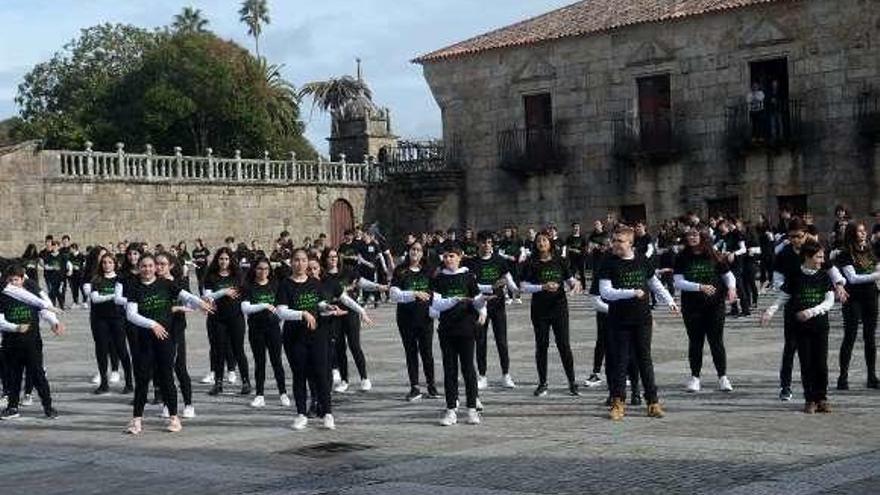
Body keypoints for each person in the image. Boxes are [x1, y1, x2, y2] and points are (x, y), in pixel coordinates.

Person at [124, 255, 211, 434]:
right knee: (142, 378)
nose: (147, 269)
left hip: (165, 339)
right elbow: (131, 315)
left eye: (150, 266)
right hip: (144, 339)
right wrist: (153, 324)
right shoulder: (134, 287)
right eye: (143, 266)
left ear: (155, 267)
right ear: (139, 268)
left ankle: (174, 417)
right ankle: (136, 419)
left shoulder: (165, 284)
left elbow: (185, 296)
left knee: (166, 377)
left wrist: (201, 302)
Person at [598, 224, 678, 420]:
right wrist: (631, 292)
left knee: (645, 360)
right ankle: (618, 403)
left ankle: (653, 402)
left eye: (620, 241)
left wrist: (670, 301)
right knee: (620, 361)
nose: (615, 244)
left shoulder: (642, 259)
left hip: (642, 318)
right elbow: (605, 292)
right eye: (614, 240)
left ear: (630, 243)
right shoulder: (608, 262)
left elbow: (654, 283)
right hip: (619, 319)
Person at [762, 240, 835, 413]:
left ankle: (821, 397)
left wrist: (811, 312)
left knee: (821, 364)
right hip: (800, 327)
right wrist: (770, 311)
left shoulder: (824, 275)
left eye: (822, 256)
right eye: (818, 257)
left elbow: (829, 301)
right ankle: (810, 399)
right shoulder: (795, 275)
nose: (822, 260)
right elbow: (783, 297)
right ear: (808, 257)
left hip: (820, 326)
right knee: (806, 363)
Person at [276, 248, 344, 431]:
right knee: (300, 375)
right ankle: (301, 414)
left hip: (317, 335)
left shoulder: (315, 283)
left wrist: (330, 308)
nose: (300, 264)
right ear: (291, 263)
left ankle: (328, 413)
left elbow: (320, 304)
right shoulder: (285, 285)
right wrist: (302, 313)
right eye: (296, 260)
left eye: (304, 260)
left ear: (308, 263)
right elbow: (281, 311)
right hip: (294, 337)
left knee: (322, 373)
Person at [430, 243, 488, 427]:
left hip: (466, 328)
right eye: (446, 256)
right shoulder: (439, 279)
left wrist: (483, 308)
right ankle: (451, 410)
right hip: (447, 329)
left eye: (452, 256)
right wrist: (454, 300)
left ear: (460, 257)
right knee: (449, 370)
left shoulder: (468, 276)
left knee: (468, 369)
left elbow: (477, 300)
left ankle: (471, 409)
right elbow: (436, 305)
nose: (448, 259)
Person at [673, 228, 737, 393]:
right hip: (692, 306)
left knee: (716, 341)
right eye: (689, 235)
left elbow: (728, 275)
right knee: (695, 342)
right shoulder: (682, 257)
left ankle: (723, 377)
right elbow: (678, 282)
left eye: (695, 234)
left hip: (714, 305)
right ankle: (695, 378)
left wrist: (731, 288)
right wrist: (699, 287)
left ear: (702, 236)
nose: (692, 237)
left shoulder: (713, 254)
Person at [520, 232, 581, 397]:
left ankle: (572, 382)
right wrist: (542, 287)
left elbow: (570, 280)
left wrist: (575, 285)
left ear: (550, 243)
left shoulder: (560, 261)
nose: (541, 243)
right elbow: (523, 286)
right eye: (538, 240)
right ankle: (542, 383)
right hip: (539, 309)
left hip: (559, 307)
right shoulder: (531, 262)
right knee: (542, 345)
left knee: (564, 345)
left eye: (544, 240)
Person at [0, 265, 63, 420]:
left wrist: (54, 322)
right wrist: (15, 328)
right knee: (13, 376)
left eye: (16, 279)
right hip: (11, 342)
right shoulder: (3, 296)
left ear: (22, 280)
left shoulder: (30, 295)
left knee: (38, 374)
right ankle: (12, 407)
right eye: (11, 280)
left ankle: (48, 407)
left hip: (32, 342)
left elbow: (44, 310)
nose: (14, 283)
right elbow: (0, 321)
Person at [466, 231, 518, 390]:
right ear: (478, 244)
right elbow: (472, 286)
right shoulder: (472, 263)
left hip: (498, 305)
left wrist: (515, 289)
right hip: (481, 306)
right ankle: (482, 376)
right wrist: (491, 287)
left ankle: (506, 374)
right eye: (484, 242)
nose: (487, 246)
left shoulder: (499, 260)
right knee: (481, 341)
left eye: (489, 242)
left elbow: (507, 277)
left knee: (502, 340)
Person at [390, 241, 439, 401]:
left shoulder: (429, 271)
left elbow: (436, 292)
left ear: (423, 253)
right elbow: (394, 293)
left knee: (427, 352)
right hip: (406, 318)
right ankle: (415, 387)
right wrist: (414, 294)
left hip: (425, 318)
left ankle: (431, 386)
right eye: (413, 249)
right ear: (408, 251)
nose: (415, 252)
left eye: (418, 250)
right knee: (411, 352)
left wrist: (436, 310)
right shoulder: (401, 270)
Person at [835, 222, 879, 389]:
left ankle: (872, 377)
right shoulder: (846, 254)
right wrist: (876, 276)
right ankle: (843, 377)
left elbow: (875, 265)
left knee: (870, 337)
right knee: (850, 336)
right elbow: (853, 279)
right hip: (853, 298)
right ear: (852, 234)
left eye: (864, 230)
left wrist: (877, 272)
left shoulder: (869, 250)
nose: (863, 233)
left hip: (871, 297)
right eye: (859, 231)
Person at [83, 253, 133, 395]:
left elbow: (125, 299)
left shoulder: (121, 279)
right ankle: (104, 383)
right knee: (101, 350)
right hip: (100, 319)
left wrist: (115, 298)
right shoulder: (97, 279)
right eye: (104, 262)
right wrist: (114, 296)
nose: (107, 265)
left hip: (117, 318)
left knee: (122, 349)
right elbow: (95, 299)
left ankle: (129, 382)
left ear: (115, 264)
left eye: (110, 262)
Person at [203, 247, 251, 396]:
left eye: (226, 259)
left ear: (231, 260)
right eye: (221, 259)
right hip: (217, 318)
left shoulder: (238, 276)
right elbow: (207, 297)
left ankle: (246, 382)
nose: (223, 262)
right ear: (217, 260)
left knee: (238, 350)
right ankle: (218, 383)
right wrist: (224, 292)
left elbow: (245, 294)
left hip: (235, 317)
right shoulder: (211, 276)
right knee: (219, 350)